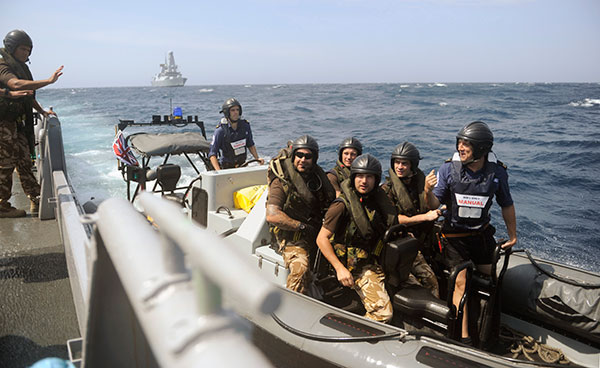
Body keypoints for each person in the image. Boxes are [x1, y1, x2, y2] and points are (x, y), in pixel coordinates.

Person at [427, 121, 517, 344]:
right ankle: (462, 337)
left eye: (466, 144)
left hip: (480, 236)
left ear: (481, 149)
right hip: (454, 238)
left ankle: (489, 327)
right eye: (459, 142)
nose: (460, 147)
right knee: (461, 282)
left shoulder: (497, 173)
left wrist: (512, 235)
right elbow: (433, 204)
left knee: (492, 278)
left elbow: (506, 204)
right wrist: (427, 191)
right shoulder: (448, 169)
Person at [316, 154, 397, 323]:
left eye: (369, 177)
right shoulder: (341, 206)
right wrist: (339, 268)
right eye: (359, 176)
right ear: (353, 178)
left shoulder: (377, 201)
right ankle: (359, 330)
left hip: (378, 258)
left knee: (424, 281)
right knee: (383, 314)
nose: (364, 181)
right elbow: (321, 239)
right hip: (356, 266)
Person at [0, 29, 63, 218]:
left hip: (18, 123)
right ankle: (2, 204)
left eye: (28, 50)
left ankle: (37, 198)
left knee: (25, 161)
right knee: (5, 163)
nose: (26, 53)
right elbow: (15, 85)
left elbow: (27, 95)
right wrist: (49, 81)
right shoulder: (3, 65)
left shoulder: (20, 66)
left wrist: (41, 111)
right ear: (12, 48)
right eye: (22, 49)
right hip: (3, 122)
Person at [266, 135, 336, 294]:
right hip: (292, 236)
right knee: (300, 269)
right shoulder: (282, 182)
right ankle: (293, 305)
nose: (303, 160)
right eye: (299, 155)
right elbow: (272, 215)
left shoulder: (317, 179)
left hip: (318, 231)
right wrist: (301, 227)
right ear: (293, 156)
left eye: (308, 156)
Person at [381, 142, 440, 297]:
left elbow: (433, 205)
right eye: (397, 162)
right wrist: (425, 217)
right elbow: (395, 219)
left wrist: (428, 190)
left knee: (433, 280)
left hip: (422, 239)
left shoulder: (419, 184)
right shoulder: (386, 190)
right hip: (401, 244)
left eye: (404, 163)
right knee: (427, 283)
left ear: (412, 165)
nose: (400, 167)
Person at [208, 98, 263, 170]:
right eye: (232, 110)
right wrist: (219, 173)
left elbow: (250, 145)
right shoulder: (220, 131)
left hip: (242, 165)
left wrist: (257, 159)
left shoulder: (245, 126)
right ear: (227, 112)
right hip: (226, 167)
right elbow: (212, 154)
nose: (236, 112)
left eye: (237, 110)